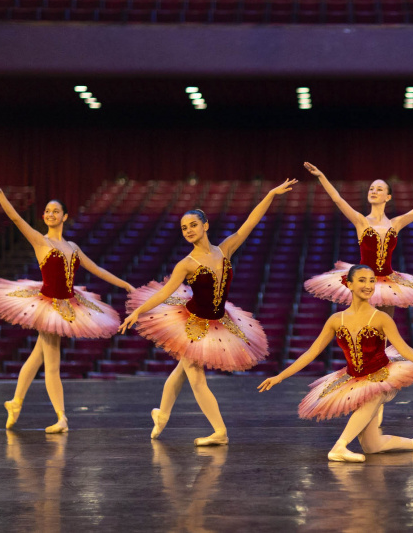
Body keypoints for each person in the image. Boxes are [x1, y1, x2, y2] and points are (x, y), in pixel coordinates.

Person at [120, 179, 296, 445]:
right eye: (184, 228)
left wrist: (271, 194)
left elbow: (250, 223)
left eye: (193, 225)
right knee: (196, 378)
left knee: (182, 369)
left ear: (205, 226)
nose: (188, 231)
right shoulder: (186, 264)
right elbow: (164, 293)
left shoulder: (225, 249)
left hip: (219, 320)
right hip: (192, 322)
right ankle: (220, 432)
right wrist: (138, 312)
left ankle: (162, 415)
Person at [0, 180, 133, 433]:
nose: (50, 214)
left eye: (56, 211)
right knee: (52, 364)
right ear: (43, 217)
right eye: (47, 211)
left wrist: (124, 284)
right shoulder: (40, 241)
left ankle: (16, 402)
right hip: (48, 305)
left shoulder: (72, 247)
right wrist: (0, 194)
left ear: (65, 216)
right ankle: (61, 418)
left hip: (68, 302)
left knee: (38, 356)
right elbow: (16, 219)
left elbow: (96, 269)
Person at [258, 264, 413, 462]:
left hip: (381, 376)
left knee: (375, 393)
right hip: (354, 378)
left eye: (371, 281)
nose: (368, 285)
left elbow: (404, 349)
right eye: (362, 280)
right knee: (372, 446)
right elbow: (311, 352)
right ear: (349, 284)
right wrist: (280, 376)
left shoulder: (381, 318)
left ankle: (339, 447)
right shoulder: (336, 319)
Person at [303, 162, 413, 315]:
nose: (373, 191)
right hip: (364, 280)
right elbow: (337, 199)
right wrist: (321, 176)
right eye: (371, 189)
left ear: (388, 197)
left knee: (385, 325)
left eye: (379, 189)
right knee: (365, 324)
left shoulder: (395, 224)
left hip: (389, 281)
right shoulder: (361, 221)